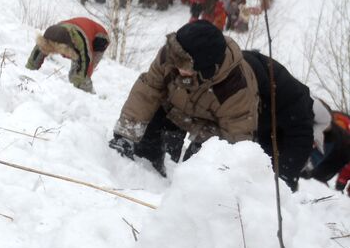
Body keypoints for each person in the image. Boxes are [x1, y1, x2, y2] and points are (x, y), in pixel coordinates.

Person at [109, 20, 314, 186]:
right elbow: (148, 90)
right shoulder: (172, 55)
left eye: (184, 66)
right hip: (205, 110)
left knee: (269, 181)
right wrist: (126, 134)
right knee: (153, 130)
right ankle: (151, 170)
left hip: (281, 120)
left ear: (207, 68)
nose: (175, 66)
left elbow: (236, 145)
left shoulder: (234, 89)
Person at [25, 17, 109, 92]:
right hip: (78, 28)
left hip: (100, 37)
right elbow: (37, 53)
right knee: (76, 72)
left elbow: (85, 61)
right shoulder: (51, 34)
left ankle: (88, 93)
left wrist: (80, 82)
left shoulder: (81, 43)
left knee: (80, 73)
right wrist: (29, 71)